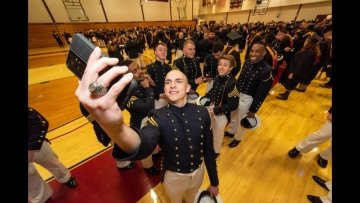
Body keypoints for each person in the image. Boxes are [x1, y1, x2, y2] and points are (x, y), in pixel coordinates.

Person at [75, 47, 219, 203]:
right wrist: (117, 128)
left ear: (188, 88)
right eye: (168, 82)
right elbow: (144, 143)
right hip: (174, 178)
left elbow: (208, 150)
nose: (172, 85)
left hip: (199, 174)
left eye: (178, 81)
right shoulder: (158, 116)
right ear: (164, 88)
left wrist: (214, 181)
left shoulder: (202, 112)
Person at [227, 41, 274, 148]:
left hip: (248, 98)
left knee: (241, 119)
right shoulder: (247, 62)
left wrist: (253, 110)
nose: (253, 53)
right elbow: (240, 80)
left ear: (264, 53)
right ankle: (231, 131)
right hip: (238, 94)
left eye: (257, 51)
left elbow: (261, 94)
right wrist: (233, 93)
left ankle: (238, 138)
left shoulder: (267, 70)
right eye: (252, 51)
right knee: (233, 114)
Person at [28, 107, 77, 203]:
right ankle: (42, 198)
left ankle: (65, 178)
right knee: (29, 179)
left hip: (35, 144)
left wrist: (31, 149)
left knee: (52, 162)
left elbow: (40, 123)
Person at [201, 55, 239, 157]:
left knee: (218, 134)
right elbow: (213, 91)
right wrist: (205, 98)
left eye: (225, 65)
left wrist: (216, 110)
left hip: (223, 114)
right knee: (209, 129)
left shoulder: (233, 84)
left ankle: (216, 152)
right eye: (220, 64)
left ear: (230, 68)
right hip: (213, 108)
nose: (221, 67)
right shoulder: (218, 77)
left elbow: (233, 105)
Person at [146, 42, 172, 109]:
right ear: (155, 52)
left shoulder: (169, 67)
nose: (163, 52)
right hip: (157, 100)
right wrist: (159, 95)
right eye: (160, 50)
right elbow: (148, 86)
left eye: (165, 50)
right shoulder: (150, 68)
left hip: (169, 98)